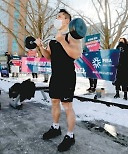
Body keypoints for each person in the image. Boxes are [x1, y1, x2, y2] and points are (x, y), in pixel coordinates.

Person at [35, 9, 82, 152]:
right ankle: (55, 128)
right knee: (54, 102)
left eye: (60, 16)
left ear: (67, 20)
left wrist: (63, 41)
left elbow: (76, 54)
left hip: (67, 76)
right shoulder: (52, 39)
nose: (57, 19)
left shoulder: (73, 36)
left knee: (67, 106)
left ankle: (70, 136)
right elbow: (48, 57)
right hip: (55, 76)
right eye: (56, 17)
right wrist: (41, 46)